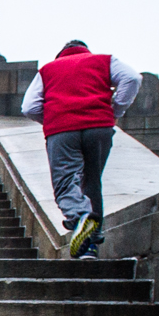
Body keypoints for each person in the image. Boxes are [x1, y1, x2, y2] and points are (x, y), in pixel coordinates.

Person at [21, 40, 140, 258]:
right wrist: (115, 110)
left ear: (61, 54)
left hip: (62, 131)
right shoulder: (104, 61)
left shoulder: (48, 70)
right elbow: (132, 78)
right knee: (92, 182)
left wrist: (51, 120)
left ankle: (80, 215)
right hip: (99, 128)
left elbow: (28, 107)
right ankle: (91, 246)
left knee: (66, 182)